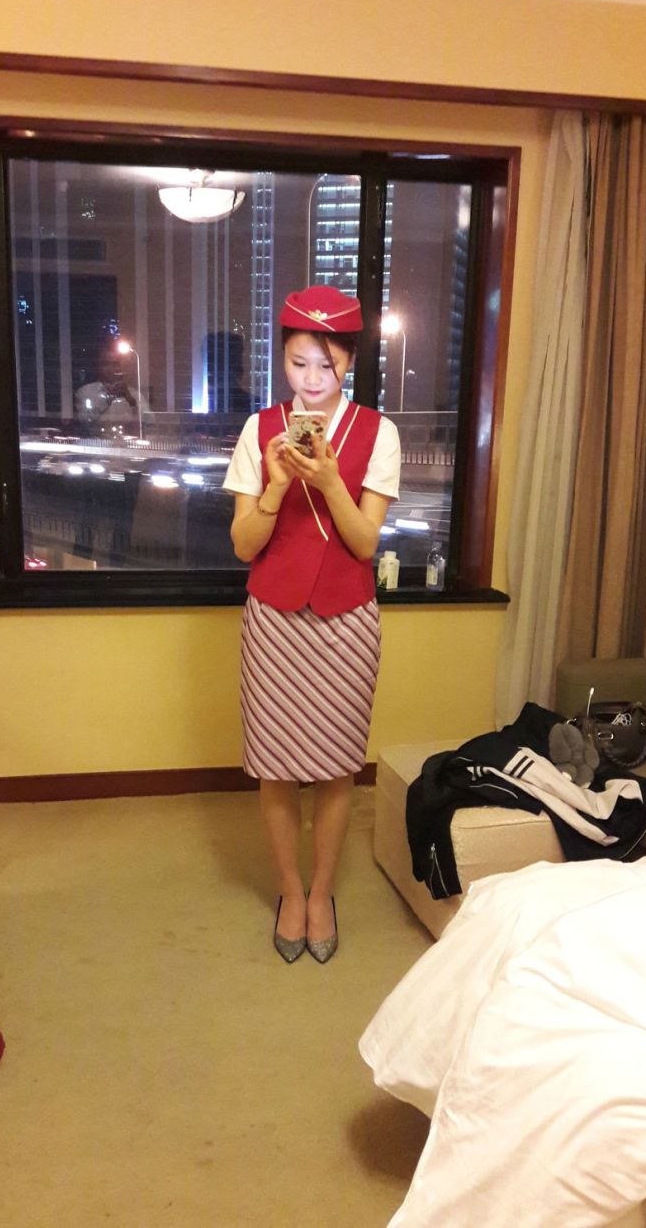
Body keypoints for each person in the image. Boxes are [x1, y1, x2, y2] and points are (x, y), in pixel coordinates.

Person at [223, 285, 401, 963]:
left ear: (349, 360)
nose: (312, 380)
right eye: (298, 363)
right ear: (283, 359)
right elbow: (244, 545)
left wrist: (327, 481)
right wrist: (275, 484)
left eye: (327, 365)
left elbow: (364, 543)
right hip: (273, 619)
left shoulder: (379, 433)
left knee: (336, 769)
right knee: (275, 770)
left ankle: (322, 892)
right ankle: (290, 891)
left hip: (346, 620)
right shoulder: (258, 429)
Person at [74, 339, 149, 436]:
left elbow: (148, 423)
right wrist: (107, 399)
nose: (111, 369)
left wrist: (131, 401)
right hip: (96, 443)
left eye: (115, 364)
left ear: (122, 367)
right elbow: (85, 421)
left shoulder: (134, 395)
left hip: (126, 443)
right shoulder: (86, 392)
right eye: (106, 364)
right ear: (99, 366)